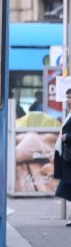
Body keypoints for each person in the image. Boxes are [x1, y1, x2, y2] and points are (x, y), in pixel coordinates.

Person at [55, 88, 71, 225]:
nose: (68, 100)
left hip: (70, 156)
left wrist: (67, 136)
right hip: (68, 157)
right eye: (67, 97)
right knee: (66, 186)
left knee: (67, 186)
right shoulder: (69, 113)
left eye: (70, 97)